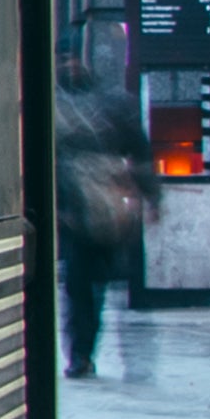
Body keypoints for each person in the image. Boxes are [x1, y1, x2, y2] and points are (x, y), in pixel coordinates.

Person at [55, 64, 148, 376]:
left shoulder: (59, 110)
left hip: (82, 214)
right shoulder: (110, 108)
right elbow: (140, 153)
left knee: (81, 288)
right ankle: (82, 351)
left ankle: (81, 353)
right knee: (89, 288)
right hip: (99, 213)